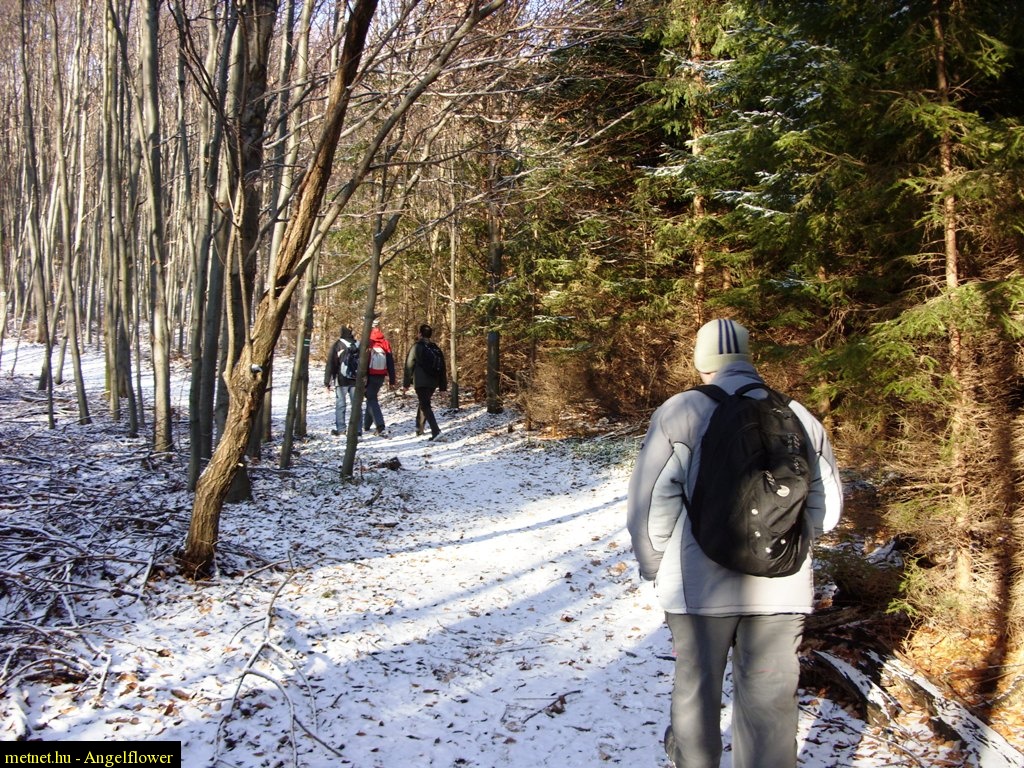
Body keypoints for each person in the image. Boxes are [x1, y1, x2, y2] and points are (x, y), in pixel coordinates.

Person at [626, 318, 843, 768]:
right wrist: (786, 540)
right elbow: (830, 508)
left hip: (698, 589)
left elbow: (650, 506)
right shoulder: (798, 415)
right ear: (747, 356)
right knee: (770, 704)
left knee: (696, 692)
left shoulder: (681, 412)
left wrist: (656, 566)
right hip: (782, 589)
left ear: (701, 360)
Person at [403, 323, 448, 440]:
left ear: (420, 334)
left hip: (421, 381)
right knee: (424, 402)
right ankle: (419, 428)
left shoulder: (417, 347)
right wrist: (442, 387)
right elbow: (443, 368)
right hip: (433, 382)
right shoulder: (436, 348)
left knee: (425, 405)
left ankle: (436, 432)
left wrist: (406, 384)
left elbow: (409, 365)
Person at [362, 318, 397, 437]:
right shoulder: (385, 342)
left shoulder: (368, 341)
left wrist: (362, 376)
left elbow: (364, 360)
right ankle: (366, 425)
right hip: (381, 374)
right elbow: (390, 362)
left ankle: (380, 426)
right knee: (371, 396)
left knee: (371, 398)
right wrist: (392, 380)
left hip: (370, 374)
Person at [324, 326, 361, 437]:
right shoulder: (358, 344)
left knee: (341, 405)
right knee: (356, 405)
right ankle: (357, 430)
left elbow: (331, 363)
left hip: (341, 380)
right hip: (356, 380)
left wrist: (327, 382)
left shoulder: (338, 344)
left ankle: (341, 429)